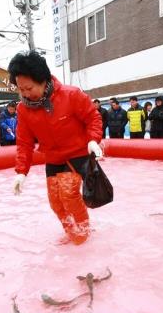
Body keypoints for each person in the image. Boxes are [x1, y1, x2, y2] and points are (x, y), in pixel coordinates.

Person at [8, 50, 102, 245]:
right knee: (56, 202)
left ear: (43, 80)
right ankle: (70, 232)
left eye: (29, 88)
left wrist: (93, 139)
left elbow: (93, 117)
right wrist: (21, 172)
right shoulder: (23, 109)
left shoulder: (71, 95)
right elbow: (24, 142)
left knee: (68, 194)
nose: (25, 94)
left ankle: (84, 231)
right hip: (52, 158)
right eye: (20, 89)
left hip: (77, 154)